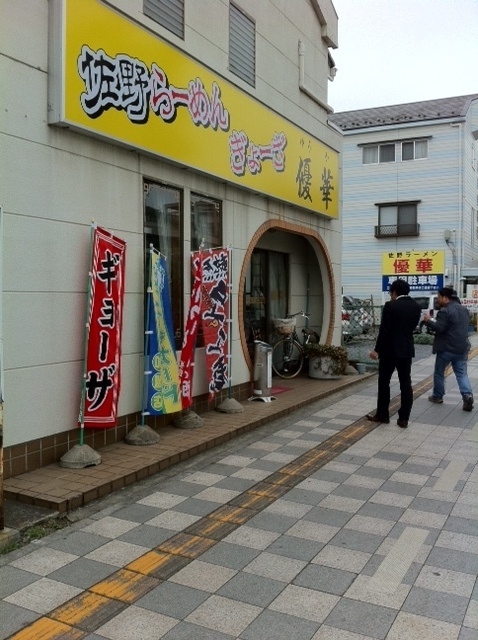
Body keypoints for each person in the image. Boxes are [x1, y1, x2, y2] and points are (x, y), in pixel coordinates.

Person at [367, 279, 421, 428]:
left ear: (394, 292)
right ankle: (404, 418)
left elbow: (384, 330)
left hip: (389, 351)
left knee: (384, 382)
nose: (390, 296)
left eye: (391, 293)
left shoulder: (390, 306)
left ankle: (382, 415)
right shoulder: (416, 306)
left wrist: (377, 350)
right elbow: (412, 327)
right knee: (406, 383)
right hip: (406, 350)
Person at [423, 287, 474, 411]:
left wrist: (429, 321)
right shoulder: (464, 310)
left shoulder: (444, 311)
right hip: (461, 348)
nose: (438, 300)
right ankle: (467, 395)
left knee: (439, 372)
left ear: (445, 298)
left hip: (446, 348)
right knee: (461, 374)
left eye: (439, 297)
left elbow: (440, 328)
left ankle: (438, 396)